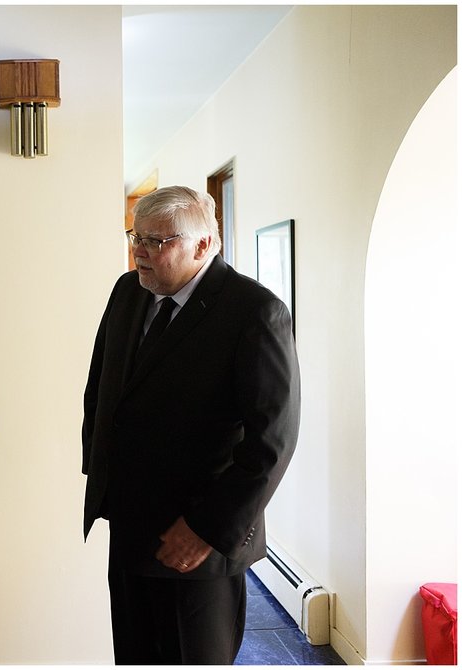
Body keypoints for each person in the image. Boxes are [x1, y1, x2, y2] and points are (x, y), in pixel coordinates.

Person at [81, 185, 300, 663]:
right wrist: (101, 477)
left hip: (196, 539)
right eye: (136, 237)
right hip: (130, 525)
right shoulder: (128, 291)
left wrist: (206, 528)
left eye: (157, 242)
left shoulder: (253, 312)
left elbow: (272, 442)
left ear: (202, 245)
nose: (139, 251)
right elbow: (103, 387)